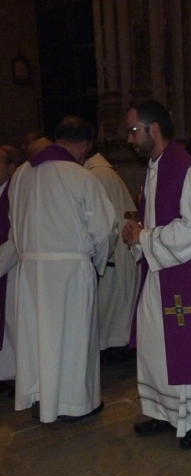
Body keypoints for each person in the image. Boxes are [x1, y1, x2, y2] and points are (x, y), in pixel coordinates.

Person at [123, 99, 191, 450]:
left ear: (154, 129)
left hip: (186, 276)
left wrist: (146, 238)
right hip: (160, 273)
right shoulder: (155, 169)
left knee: (188, 350)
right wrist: (137, 234)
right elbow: (156, 225)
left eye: (133, 130)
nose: (129, 138)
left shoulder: (186, 170)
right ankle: (165, 412)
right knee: (157, 347)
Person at [8, 116, 117, 423]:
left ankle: (39, 395)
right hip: (70, 272)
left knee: (37, 337)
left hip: (31, 272)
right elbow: (104, 230)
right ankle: (76, 403)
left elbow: (16, 225)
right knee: (74, 337)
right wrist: (95, 264)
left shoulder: (21, 175)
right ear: (83, 145)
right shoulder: (80, 176)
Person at [84, 150, 140, 359]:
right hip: (117, 250)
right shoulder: (102, 172)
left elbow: (99, 221)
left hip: (111, 251)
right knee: (115, 309)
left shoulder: (97, 175)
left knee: (110, 311)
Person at [0, 146, 22, 394]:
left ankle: (14, 375)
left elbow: (17, 237)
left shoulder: (16, 193)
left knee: (11, 325)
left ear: (11, 168)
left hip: (12, 270)